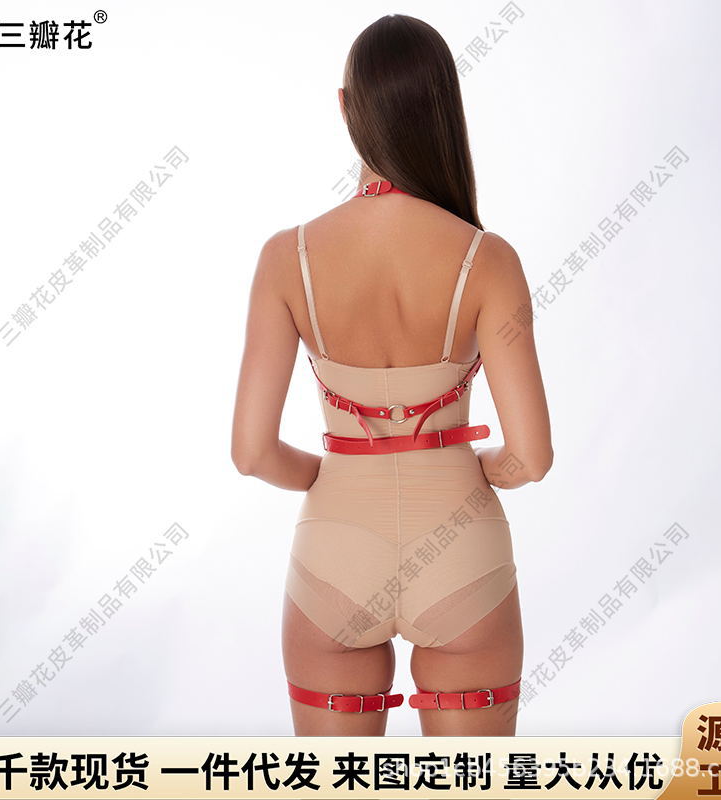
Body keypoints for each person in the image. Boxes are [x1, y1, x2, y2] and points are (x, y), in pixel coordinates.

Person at [231, 13, 552, 736]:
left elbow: (251, 453)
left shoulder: (287, 258)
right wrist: (482, 468)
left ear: (347, 107)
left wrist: (328, 473)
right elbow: (532, 457)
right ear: (443, 108)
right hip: (463, 549)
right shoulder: (487, 259)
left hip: (333, 551)